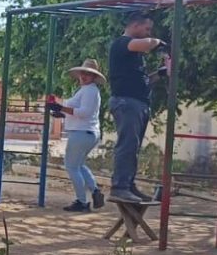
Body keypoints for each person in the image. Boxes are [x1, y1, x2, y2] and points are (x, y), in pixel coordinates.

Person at [107, 12, 170, 205]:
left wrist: (161, 73)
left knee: (132, 147)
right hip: (127, 103)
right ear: (135, 25)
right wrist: (161, 43)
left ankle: (128, 184)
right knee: (127, 145)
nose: (148, 33)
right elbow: (148, 44)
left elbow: (144, 81)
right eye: (147, 29)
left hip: (138, 102)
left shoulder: (134, 57)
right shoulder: (122, 43)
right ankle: (119, 187)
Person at [48, 59, 106, 212]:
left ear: (94, 77)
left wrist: (61, 108)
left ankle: (82, 201)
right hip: (87, 132)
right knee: (79, 165)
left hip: (81, 133)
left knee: (72, 166)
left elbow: (84, 113)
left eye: (88, 74)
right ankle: (95, 191)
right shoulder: (87, 90)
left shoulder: (89, 91)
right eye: (83, 73)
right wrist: (61, 112)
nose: (84, 76)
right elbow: (78, 112)